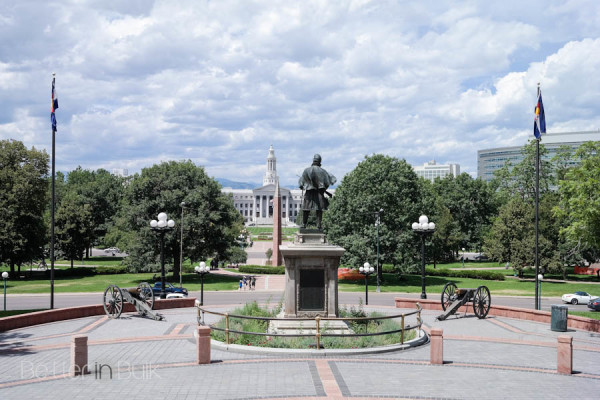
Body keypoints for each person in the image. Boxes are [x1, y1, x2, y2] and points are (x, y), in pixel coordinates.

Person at [298, 154, 336, 230]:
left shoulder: (306, 170)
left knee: (306, 209)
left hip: (309, 192)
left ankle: (304, 224)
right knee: (319, 209)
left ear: (313, 160)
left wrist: (303, 186)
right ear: (319, 162)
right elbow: (331, 180)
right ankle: (319, 225)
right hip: (319, 193)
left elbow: (301, 184)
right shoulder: (323, 171)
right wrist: (323, 188)